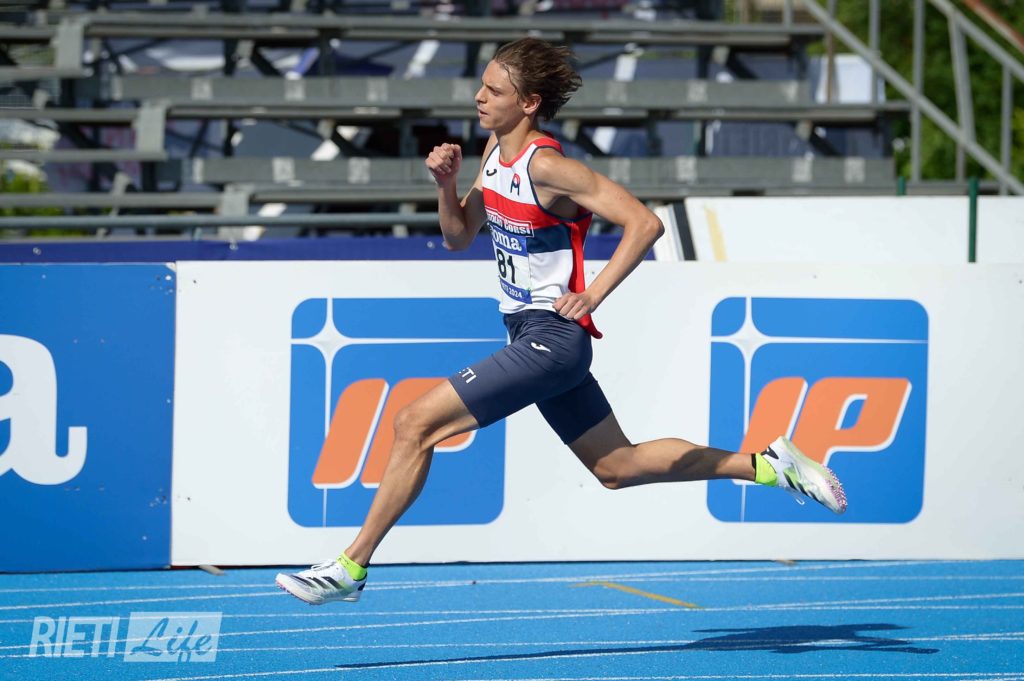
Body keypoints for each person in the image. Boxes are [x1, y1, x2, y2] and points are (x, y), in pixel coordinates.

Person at [276, 38, 846, 606]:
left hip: (552, 340)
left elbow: (645, 224)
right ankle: (768, 466)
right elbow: (458, 236)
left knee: (413, 423)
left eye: (494, 90)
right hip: (530, 335)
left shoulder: (548, 166)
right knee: (617, 466)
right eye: (481, 85)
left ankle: (351, 565)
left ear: (529, 103)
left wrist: (592, 293)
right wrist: (446, 186)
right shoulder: (493, 153)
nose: (479, 97)